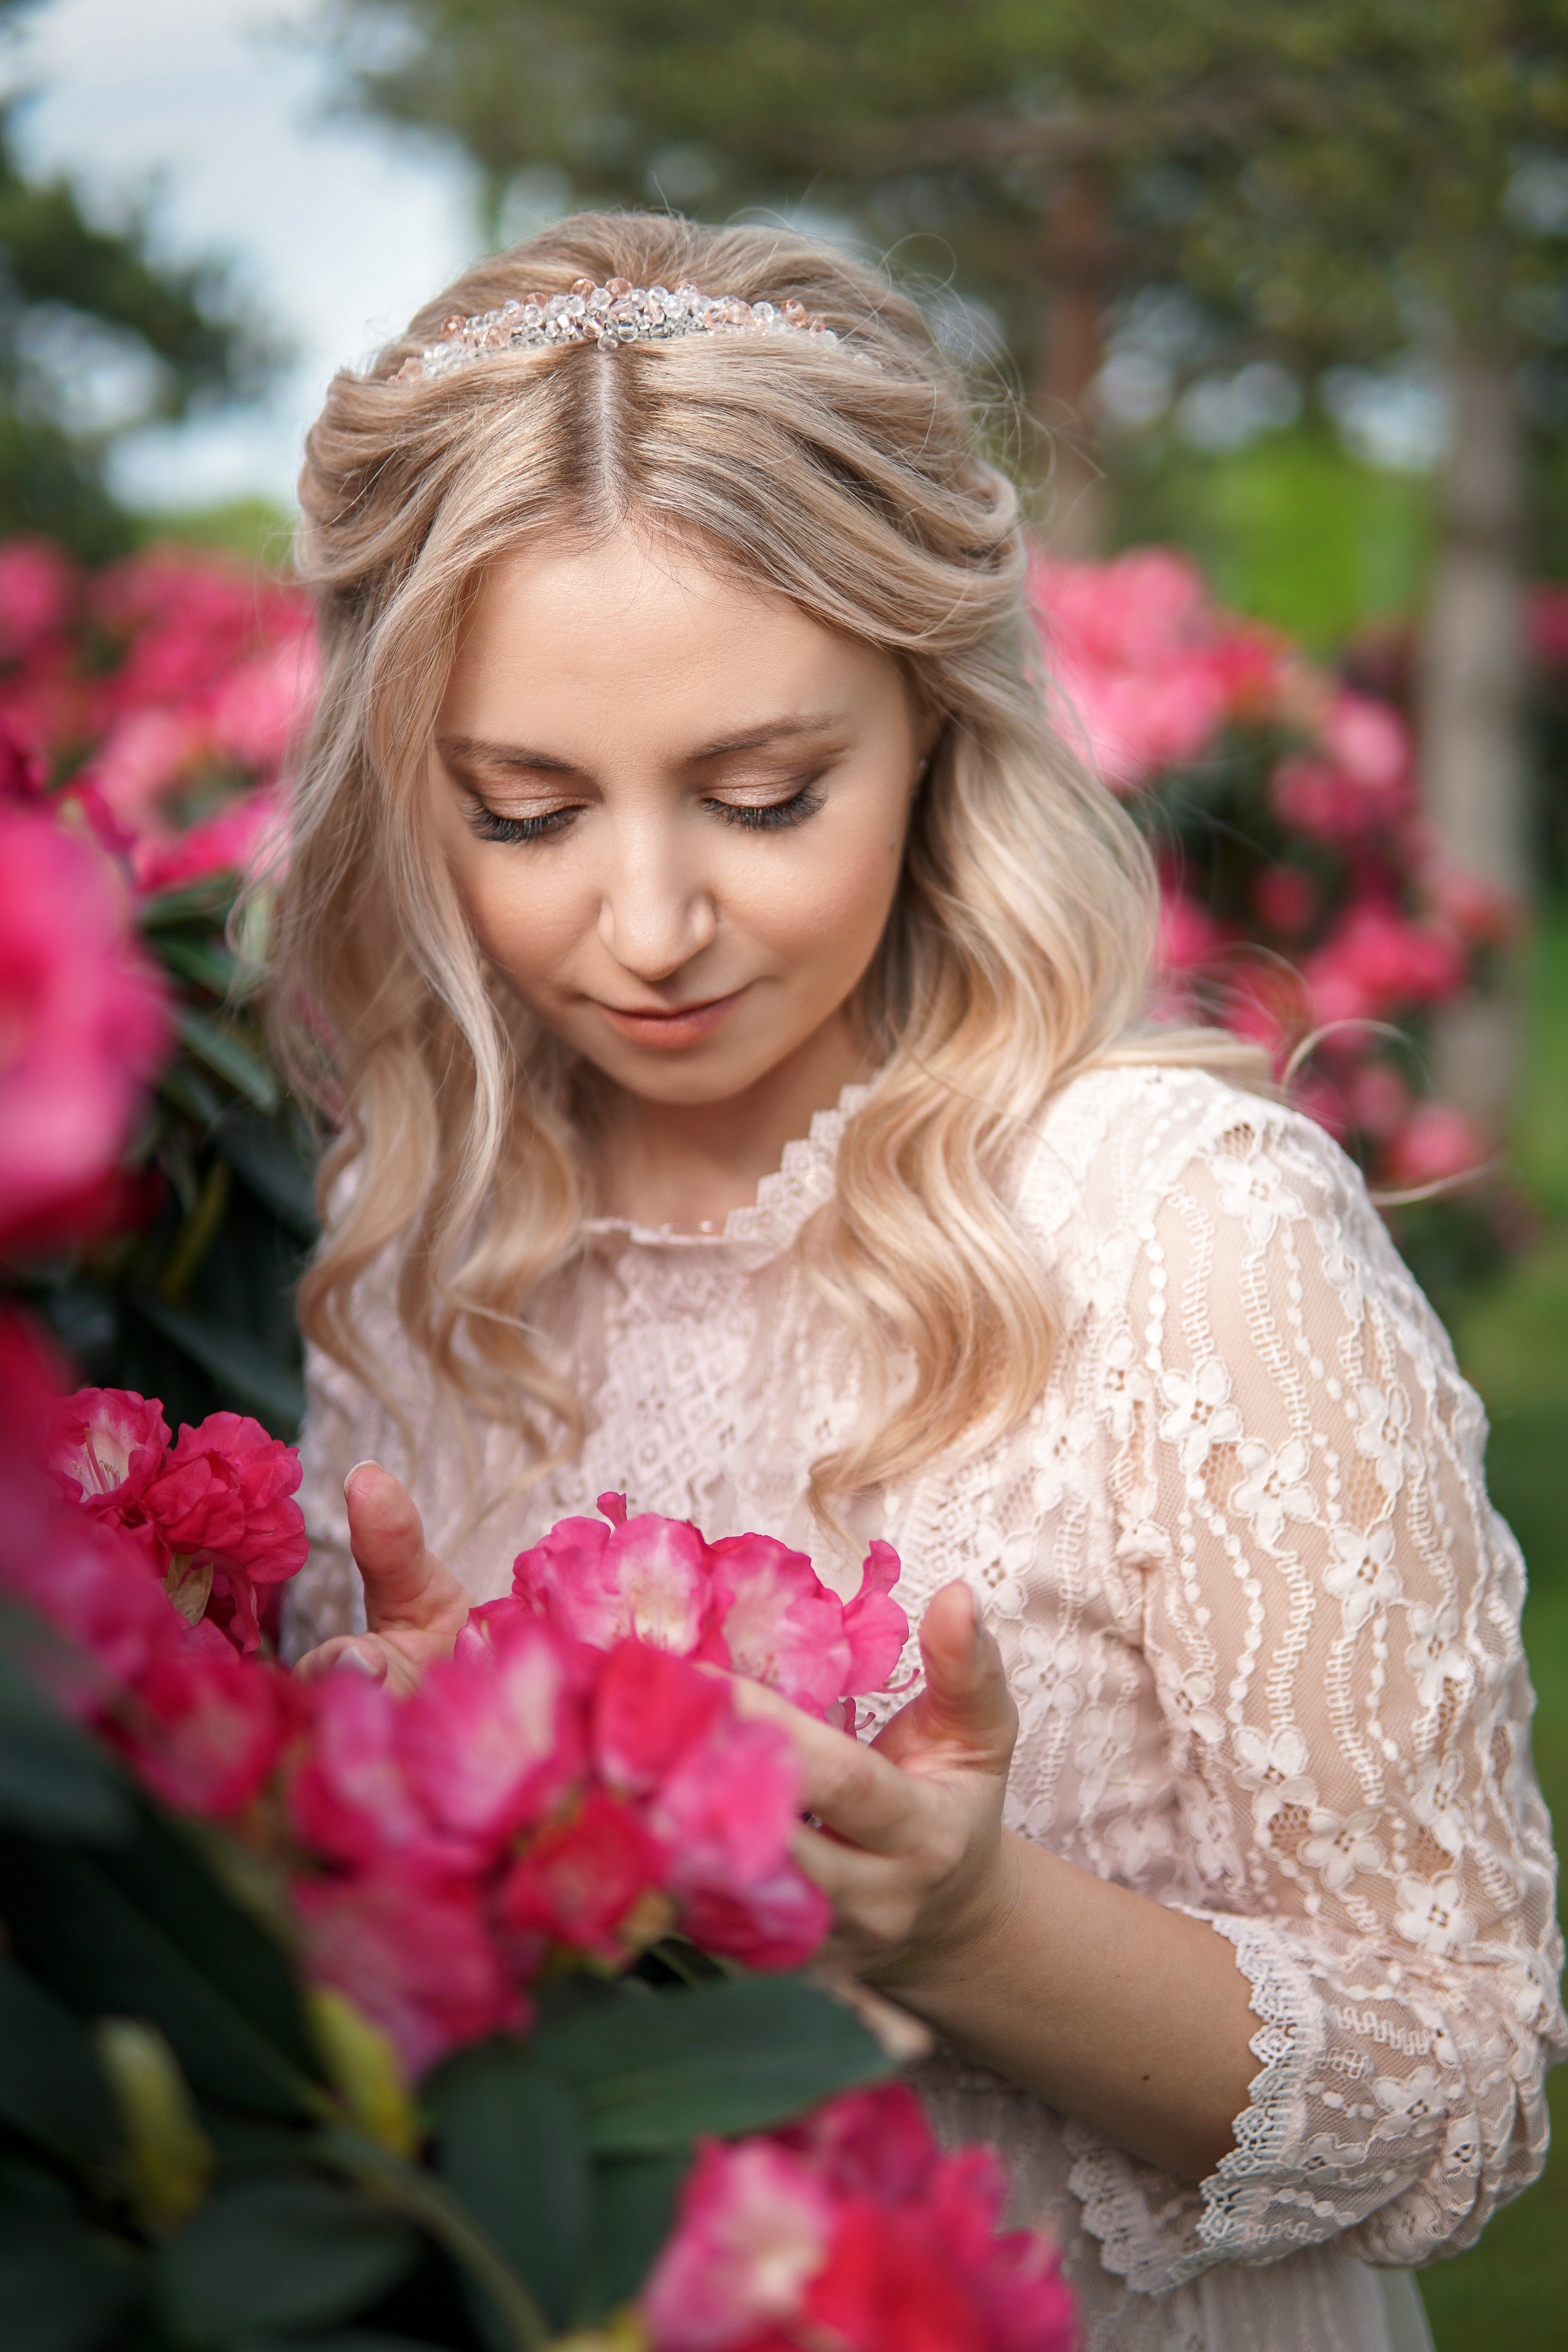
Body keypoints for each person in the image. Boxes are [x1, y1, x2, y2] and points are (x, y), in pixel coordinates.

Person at [275, 216, 1562, 2352]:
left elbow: (1463, 2082)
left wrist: (969, 1922)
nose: (652, 922)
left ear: (936, 728)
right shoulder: (412, 1243)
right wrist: (412, 1831)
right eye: (526, 813)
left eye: (766, 795)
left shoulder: (1182, 1228)